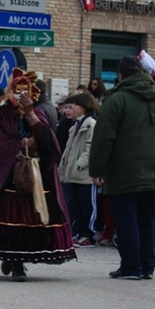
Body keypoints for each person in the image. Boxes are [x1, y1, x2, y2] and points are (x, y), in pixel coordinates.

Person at [0, 69, 75, 281]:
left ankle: (20, 260)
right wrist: (22, 143)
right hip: (9, 172)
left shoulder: (39, 112)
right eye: (17, 91)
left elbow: (47, 141)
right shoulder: (1, 113)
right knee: (11, 216)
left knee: (35, 217)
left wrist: (30, 115)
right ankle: (14, 260)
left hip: (36, 174)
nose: (20, 95)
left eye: (25, 91)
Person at [88, 56, 155, 280]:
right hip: (153, 168)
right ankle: (147, 265)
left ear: (120, 75)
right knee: (146, 218)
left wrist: (96, 169)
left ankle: (131, 267)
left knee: (126, 218)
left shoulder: (117, 99)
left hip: (123, 170)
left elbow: (103, 138)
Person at [59, 93, 98, 246]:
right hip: (72, 173)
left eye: (74, 106)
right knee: (76, 205)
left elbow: (91, 148)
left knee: (87, 205)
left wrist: (78, 164)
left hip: (84, 173)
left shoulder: (91, 123)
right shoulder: (75, 125)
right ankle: (79, 231)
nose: (70, 109)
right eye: (68, 106)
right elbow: (69, 149)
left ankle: (89, 233)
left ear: (84, 106)